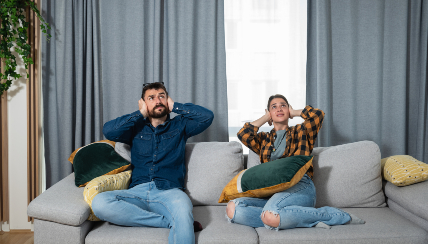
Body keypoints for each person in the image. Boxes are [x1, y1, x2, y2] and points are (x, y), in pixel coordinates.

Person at [92, 82, 214, 244]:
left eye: (161, 96)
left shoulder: (180, 125)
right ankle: (169, 222)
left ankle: (179, 221)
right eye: (151, 98)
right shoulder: (135, 128)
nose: (157, 101)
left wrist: (175, 106)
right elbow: (109, 130)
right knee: (99, 202)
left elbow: (207, 116)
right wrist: (140, 113)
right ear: (143, 103)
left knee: (183, 212)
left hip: (170, 192)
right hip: (137, 192)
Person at [226, 94, 364, 230]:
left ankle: (333, 215)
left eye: (283, 106)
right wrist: (265, 117)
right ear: (269, 114)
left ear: (288, 110)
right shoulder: (263, 139)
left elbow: (318, 115)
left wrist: (295, 112)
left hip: (300, 186)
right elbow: (243, 134)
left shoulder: (302, 132)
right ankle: (299, 218)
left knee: (270, 214)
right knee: (233, 209)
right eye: (274, 107)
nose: (279, 109)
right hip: (272, 192)